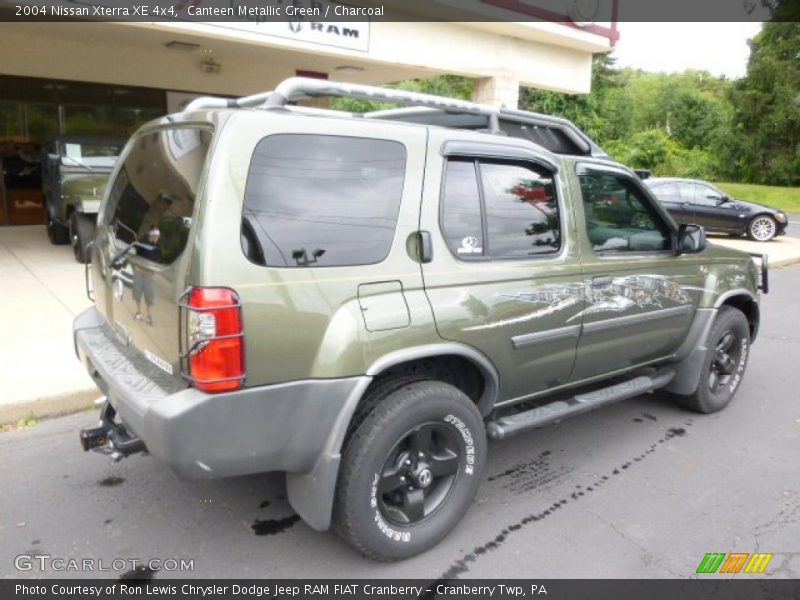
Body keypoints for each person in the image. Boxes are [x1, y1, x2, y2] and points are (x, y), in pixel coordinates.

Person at [133, 225, 160, 325]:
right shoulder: (142, 244)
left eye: (158, 237)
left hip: (148, 275)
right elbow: (136, 253)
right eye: (156, 236)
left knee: (148, 295)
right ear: (151, 236)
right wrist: (136, 268)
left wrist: (152, 271)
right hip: (139, 273)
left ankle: (149, 316)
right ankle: (139, 312)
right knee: (137, 293)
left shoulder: (156, 248)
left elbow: (156, 261)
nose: (157, 239)